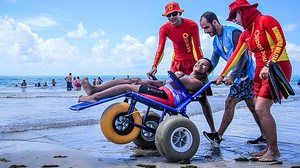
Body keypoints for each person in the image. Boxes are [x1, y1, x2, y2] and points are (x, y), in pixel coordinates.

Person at [215, 0, 292, 162]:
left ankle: (274, 151)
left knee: (262, 109)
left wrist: (269, 65)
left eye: (234, 15)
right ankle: (269, 147)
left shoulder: (266, 20)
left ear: (244, 11)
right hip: (259, 72)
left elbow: (280, 43)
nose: (234, 20)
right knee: (259, 110)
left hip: (276, 67)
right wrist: (222, 75)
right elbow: (235, 56)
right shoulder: (246, 33)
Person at [147, 1, 217, 136]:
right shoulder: (164, 28)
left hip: (192, 64)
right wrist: (155, 65)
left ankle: (213, 131)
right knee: (170, 96)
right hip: (177, 65)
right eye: (169, 15)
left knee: (202, 99)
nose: (172, 17)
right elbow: (160, 48)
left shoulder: (192, 25)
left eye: (174, 14)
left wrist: (201, 69)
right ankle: (174, 128)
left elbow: (197, 47)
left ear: (180, 13)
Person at [199, 11, 265, 145]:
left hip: (246, 76)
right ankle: (265, 135)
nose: (205, 31)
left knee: (229, 102)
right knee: (253, 107)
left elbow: (243, 57)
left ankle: (218, 136)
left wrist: (232, 76)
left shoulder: (234, 33)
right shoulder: (216, 42)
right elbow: (213, 60)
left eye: (206, 27)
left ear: (215, 22)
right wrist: (203, 74)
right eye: (203, 29)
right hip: (242, 78)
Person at [79, 58, 213, 105]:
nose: (200, 64)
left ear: (206, 72)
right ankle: (94, 90)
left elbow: (170, 83)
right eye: (199, 62)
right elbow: (163, 83)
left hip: (168, 97)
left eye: (204, 65)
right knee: (129, 80)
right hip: (162, 91)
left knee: (127, 87)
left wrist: (148, 83)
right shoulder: (185, 75)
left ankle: (95, 97)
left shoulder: (197, 83)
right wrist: (146, 81)